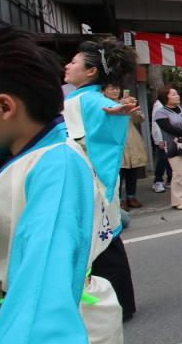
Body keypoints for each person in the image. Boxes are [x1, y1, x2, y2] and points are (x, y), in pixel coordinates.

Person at [0, 24, 151, 344]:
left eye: (75, 63)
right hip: (59, 296)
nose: (68, 67)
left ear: (6, 106)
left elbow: (44, 257)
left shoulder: (59, 151)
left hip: (55, 321)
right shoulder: (75, 117)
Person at [62, 37, 140, 322]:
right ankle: (119, 302)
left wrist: (115, 113)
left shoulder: (89, 100)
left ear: (91, 71)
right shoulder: (84, 98)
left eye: (74, 62)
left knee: (103, 241)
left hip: (90, 183)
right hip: (88, 180)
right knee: (104, 241)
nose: (67, 66)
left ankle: (117, 304)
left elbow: (101, 113)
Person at [154, 85, 182, 210]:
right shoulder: (161, 113)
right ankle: (178, 200)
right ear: (166, 97)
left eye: (177, 93)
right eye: (173, 94)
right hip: (174, 146)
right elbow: (169, 129)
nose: (177, 96)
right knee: (178, 173)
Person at [104, 84, 148, 209]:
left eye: (117, 88)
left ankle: (131, 196)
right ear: (104, 91)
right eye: (111, 88)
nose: (115, 91)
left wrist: (132, 108)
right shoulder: (103, 104)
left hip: (131, 139)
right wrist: (120, 105)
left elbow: (140, 119)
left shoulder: (127, 103)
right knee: (118, 172)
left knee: (132, 170)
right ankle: (118, 199)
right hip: (115, 141)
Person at [150, 93, 171, 193]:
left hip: (170, 136)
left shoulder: (168, 105)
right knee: (163, 159)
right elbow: (156, 124)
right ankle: (158, 180)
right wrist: (159, 140)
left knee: (169, 159)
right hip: (162, 138)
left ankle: (170, 179)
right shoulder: (158, 105)